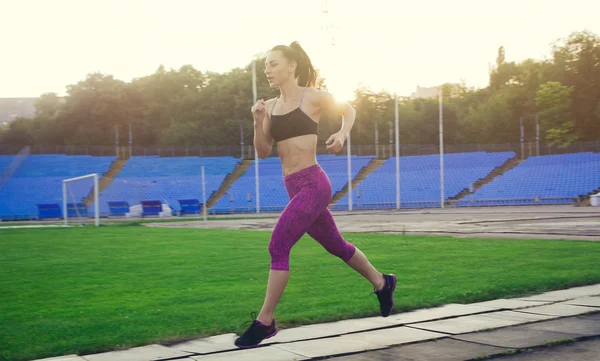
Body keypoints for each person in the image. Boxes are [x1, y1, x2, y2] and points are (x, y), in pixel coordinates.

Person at [234, 41, 396, 349]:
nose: (267, 69)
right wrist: (257, 121)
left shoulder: (313, 97)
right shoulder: (269, 106)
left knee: (278, 245)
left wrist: (342, 132)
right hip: (293, 186)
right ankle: (382, 282)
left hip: (313, 183)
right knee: (336, 245)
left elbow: (349, 109)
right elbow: (263, 151)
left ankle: (265, 322)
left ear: (291, 66)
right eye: (266, 65)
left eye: (273, 63)